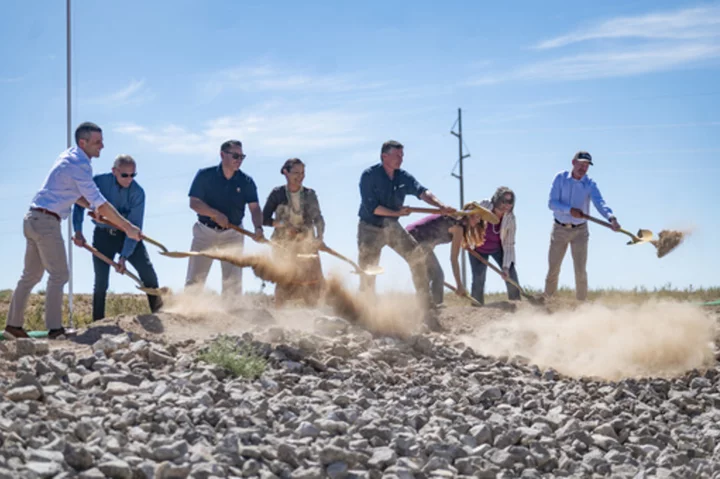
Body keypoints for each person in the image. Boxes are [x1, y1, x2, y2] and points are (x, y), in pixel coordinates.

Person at [4, 122, 142, 339]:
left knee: (30, 276)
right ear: (83, 142)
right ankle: (55, 330)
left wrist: (94, 209)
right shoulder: (80, 164)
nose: (102, 146)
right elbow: (100, 201)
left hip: (33, 218)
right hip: (46, 222)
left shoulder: (69, 156)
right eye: (98, 142)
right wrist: (128, 227)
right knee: (59, 274)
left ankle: (12, 327)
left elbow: (76, 195)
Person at [357, 140, 455, 328]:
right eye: (397, 156)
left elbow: (421, 191)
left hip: (392, 227)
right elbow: (373, 208)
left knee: (417, 258)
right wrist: (397, 213)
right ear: (384, 156)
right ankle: (365, 315)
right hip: (369, 228)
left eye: (402, 156)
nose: (401, 159)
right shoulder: (369, 176)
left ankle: (425, 309)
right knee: (368, 272)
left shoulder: (402, 177)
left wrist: (439, 206)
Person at [72, 154, 163, 321]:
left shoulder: (138, 193)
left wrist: (124, 256)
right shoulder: (97, 182)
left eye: (133, 175)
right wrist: (77, 230)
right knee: (101, 283)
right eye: (125, 175)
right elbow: (78, 202)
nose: (129, 179)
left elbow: (134, 227)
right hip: (102, 237)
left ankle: (160, 317)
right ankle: (98, 323)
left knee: (148, 275)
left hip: (128, 237)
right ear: (114, 171)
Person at [185, 140, 264, 295]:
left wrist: (258, 228)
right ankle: (187, 313)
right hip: (205, 233)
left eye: (242, 157)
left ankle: (231, 315)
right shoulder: (204, 175)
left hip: (233, 235)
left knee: (233, 282)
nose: (239, 160)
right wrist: (215, 214)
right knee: (195, 279)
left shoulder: (246, 181)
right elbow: (194, 203)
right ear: (222, 155)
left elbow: (254, 208)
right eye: (235, 156)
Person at [544, 151, 620, 301]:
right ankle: (548, 301)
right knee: (554, 269)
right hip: (559, 229)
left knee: (580, 270)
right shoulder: (560, 178)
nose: (583, 168)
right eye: (581, 164)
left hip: (580, 232)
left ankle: (581, 305)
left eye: (586, 165)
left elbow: (600, 203)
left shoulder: (590, 184)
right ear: (573, 162)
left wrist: (611, 218)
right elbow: (552, 203)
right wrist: (569, 210)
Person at [262, 158, 325, 306]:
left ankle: (314, 316)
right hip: (282, 243)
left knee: (312, 280)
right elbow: (264, 219)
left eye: (303, 173)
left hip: (306, 243)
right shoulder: (277, 194)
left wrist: (319, 237)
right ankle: (279, 316)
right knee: (284, 278)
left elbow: (318, 218)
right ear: (286, 172)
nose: (300, 176)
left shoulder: (310, 194)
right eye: (296, 173)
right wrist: (282, 225)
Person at [406, 203, 488, 308]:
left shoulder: (455, 221)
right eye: (477, 217)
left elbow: (431, 233)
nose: (478, 221)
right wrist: (459, 285)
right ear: (468, 215)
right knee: (438, 275)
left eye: (480, 219)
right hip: (414, 239)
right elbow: (454, 259)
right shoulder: (457, 227)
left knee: (425, 276)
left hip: (409, 237)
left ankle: (425, 309)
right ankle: (436, 307)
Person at [469, 188, 521, 305]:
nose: (506, 205)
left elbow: (509, 244)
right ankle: (476, 308)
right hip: (478, 248)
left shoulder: (510, 218)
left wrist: (506, 267)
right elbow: (468, 220)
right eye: (504, 201)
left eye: (510, 202)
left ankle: (517, 304)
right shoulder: (484, 205)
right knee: (479, 278)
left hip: (498, 249)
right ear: (497, 200)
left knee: (511, 275)